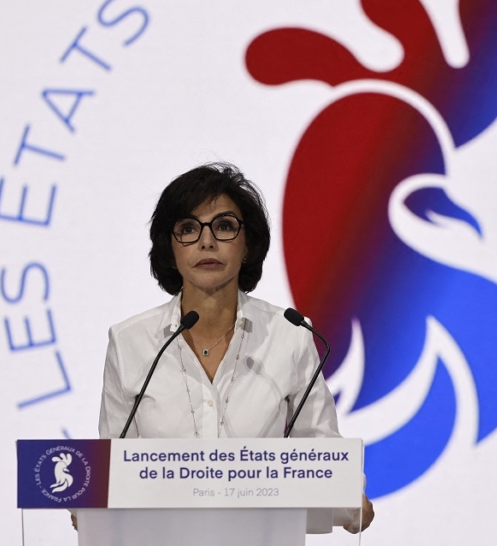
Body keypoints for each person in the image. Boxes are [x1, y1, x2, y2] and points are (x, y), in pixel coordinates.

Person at [97, 162, 374, 532]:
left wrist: (349, 499)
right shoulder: (130, 341)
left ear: (248, 245)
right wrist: (91, 500)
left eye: (224, 226)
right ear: (170, 248)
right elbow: (113, 469)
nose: (207, 242)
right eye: (188, 229)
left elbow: (321, 452)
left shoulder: (288, 336)